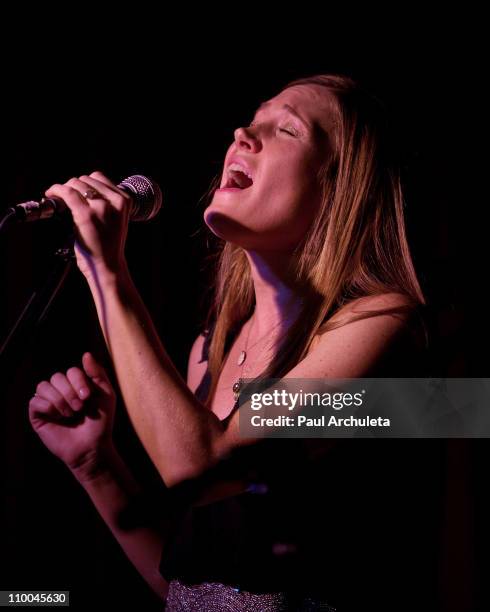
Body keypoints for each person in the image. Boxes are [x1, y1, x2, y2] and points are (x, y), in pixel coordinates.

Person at [28, 74, 430, 610]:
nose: (242, 132)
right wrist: (95, 466)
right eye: (252, 118)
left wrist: (108, 271)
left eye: (287, 129)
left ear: (338, 190)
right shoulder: (208, 351)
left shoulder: (386, 325)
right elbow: (192, 591)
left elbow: (200, 464)